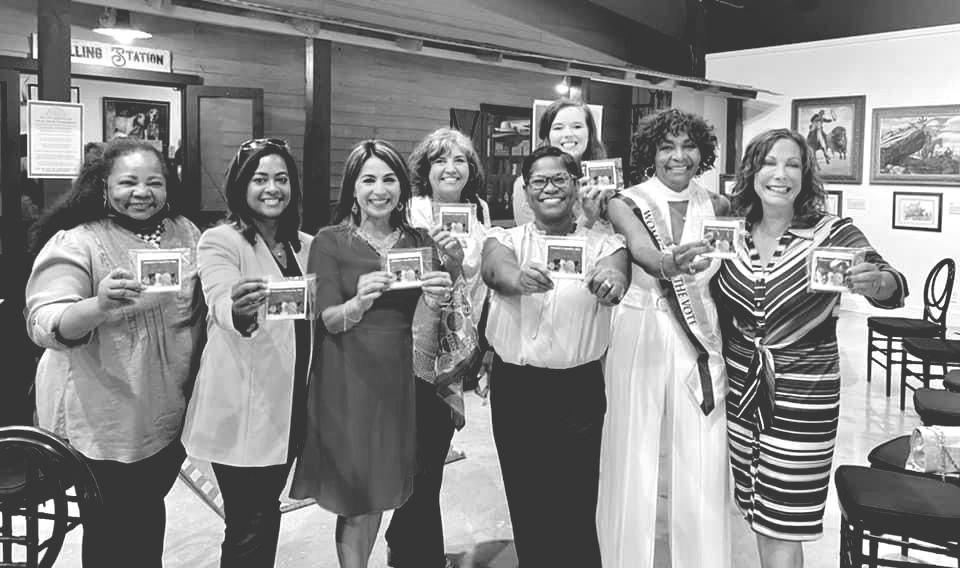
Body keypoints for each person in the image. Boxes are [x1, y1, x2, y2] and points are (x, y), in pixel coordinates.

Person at [714, 128, 908, 568]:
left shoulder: (832, 232)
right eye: (768, 163)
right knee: (755, 509)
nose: (780, 174)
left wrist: (878, 283)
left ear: (806, 175)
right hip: (743, 392)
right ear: (751, 171)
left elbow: (892, 284)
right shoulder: (730, 232)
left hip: (805, 395)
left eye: (792, 164)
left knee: (783, 520)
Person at [25, 137, 203, 567]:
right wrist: (99, 305)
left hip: (167, 410)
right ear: (103, 186)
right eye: (128, 182)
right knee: (110, 528)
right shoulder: (77, 242)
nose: (142, 192)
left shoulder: (185, 231)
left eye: (154, 182)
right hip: (103, 418)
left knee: (145, 512)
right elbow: (45, 321)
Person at [290, 139, 457, 568]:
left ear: (403, 187)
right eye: (368, 180)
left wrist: (446, 277)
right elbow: (328, 319)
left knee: (382, 489)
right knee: (357, 497)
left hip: (400, 381)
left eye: (389, 179)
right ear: (352, 188)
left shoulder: (419, 240)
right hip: (347, 380)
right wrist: (359, 302)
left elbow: (434, 313)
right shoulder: (330, 241)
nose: (379, 189)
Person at [482, 145, 628, 567]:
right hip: (518, 388)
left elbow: (618, 272)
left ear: (576, 186)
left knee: (577, 502)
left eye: (559, 179)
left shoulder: (604, 243)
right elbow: (495, 268)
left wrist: (610, 281)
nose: (549, 188)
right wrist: (516, 278)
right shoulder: (506, 239)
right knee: (528, 501)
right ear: (525, 192)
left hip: (578, 388)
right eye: (539, 182)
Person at [599, 108, 731, 568]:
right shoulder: (626, 200)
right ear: (649, 153)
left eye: (689, 145)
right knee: (631, 446)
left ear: (703, 152)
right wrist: (667, 264)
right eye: (666, 147)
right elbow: (641, 250)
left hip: (701, 334)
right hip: (641, 329)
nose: (679, 156)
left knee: (704, 450)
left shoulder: (720, 205)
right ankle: (623, 557)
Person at [180, 138, 311, 567]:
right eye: (260, 179)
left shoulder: (302, 246)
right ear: (241, 186)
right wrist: (237, 310)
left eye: (281, 178)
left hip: (290, 404)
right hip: (243, 407)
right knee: (248, 521)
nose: (272, 188)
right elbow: (219, 298)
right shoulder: (222, 241)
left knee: (264, 512)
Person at [387, 127, 488, 568]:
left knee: (431, 456)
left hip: (459, 349)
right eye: (440, 160)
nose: (451, 168)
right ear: (424, 170)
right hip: (413, 350)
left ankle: (404, 539)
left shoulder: (478, 211)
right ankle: (418, 554)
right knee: (420, 460)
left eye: (461, 159)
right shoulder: (409, 211)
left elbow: (482, 280)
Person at [511, 98, 609, 228]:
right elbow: (536, 243)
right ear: (547, 136)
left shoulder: (606, 180)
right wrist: (586, 219)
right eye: (558, 128)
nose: (568, 133)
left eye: (577, 126)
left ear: (590, 133)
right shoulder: (528, 184)